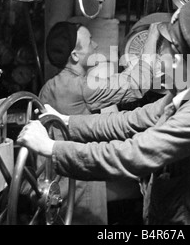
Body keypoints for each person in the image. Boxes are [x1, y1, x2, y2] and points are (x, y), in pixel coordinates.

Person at [19, 3, 190, 225]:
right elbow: (127, 121)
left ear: (179, 60)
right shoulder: (182, 96)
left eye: (163, 47)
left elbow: (132, 154)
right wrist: (67, 122)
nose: (160, 54)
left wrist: (52, 148)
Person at [39, 21, 161, 225]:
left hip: (55, 181)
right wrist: (154, 35)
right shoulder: (83, 87)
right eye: (90, 42)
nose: (96, 46)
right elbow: (139, 84)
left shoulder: (49, 86)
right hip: (78, 185)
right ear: (75, 56)